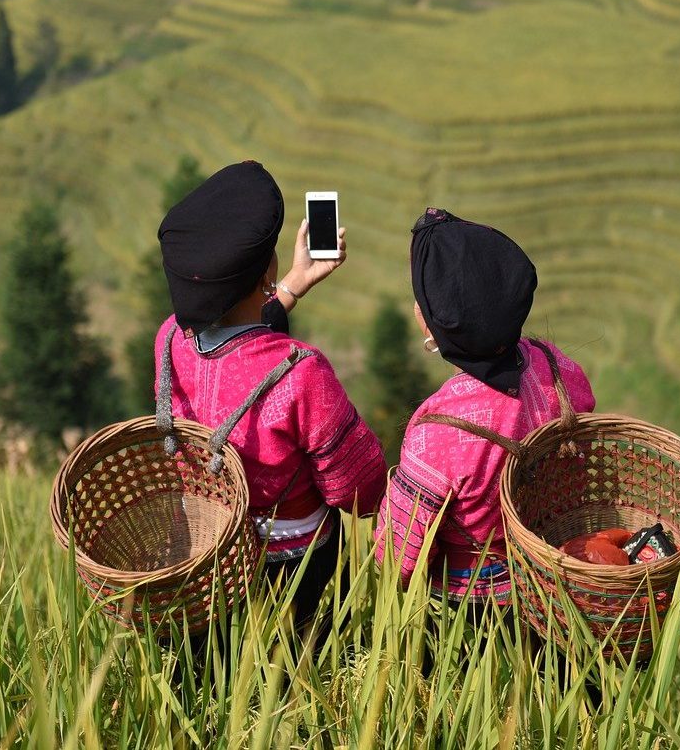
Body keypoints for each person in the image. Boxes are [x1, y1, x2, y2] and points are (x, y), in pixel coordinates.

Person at [156, 160, 385, 635]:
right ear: (267, 268)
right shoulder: (301, 372)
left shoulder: (169, 343)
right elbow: (357, 489)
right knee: (306, 675)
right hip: (298, 573)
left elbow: (233, 347)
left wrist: (293, 285)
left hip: (211, 557)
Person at [374, 208, 596, 611]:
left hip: (473, 618)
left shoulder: (434, 431)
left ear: (429, 324)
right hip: (560, 590)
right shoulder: (560, 371)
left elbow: (399, 557)